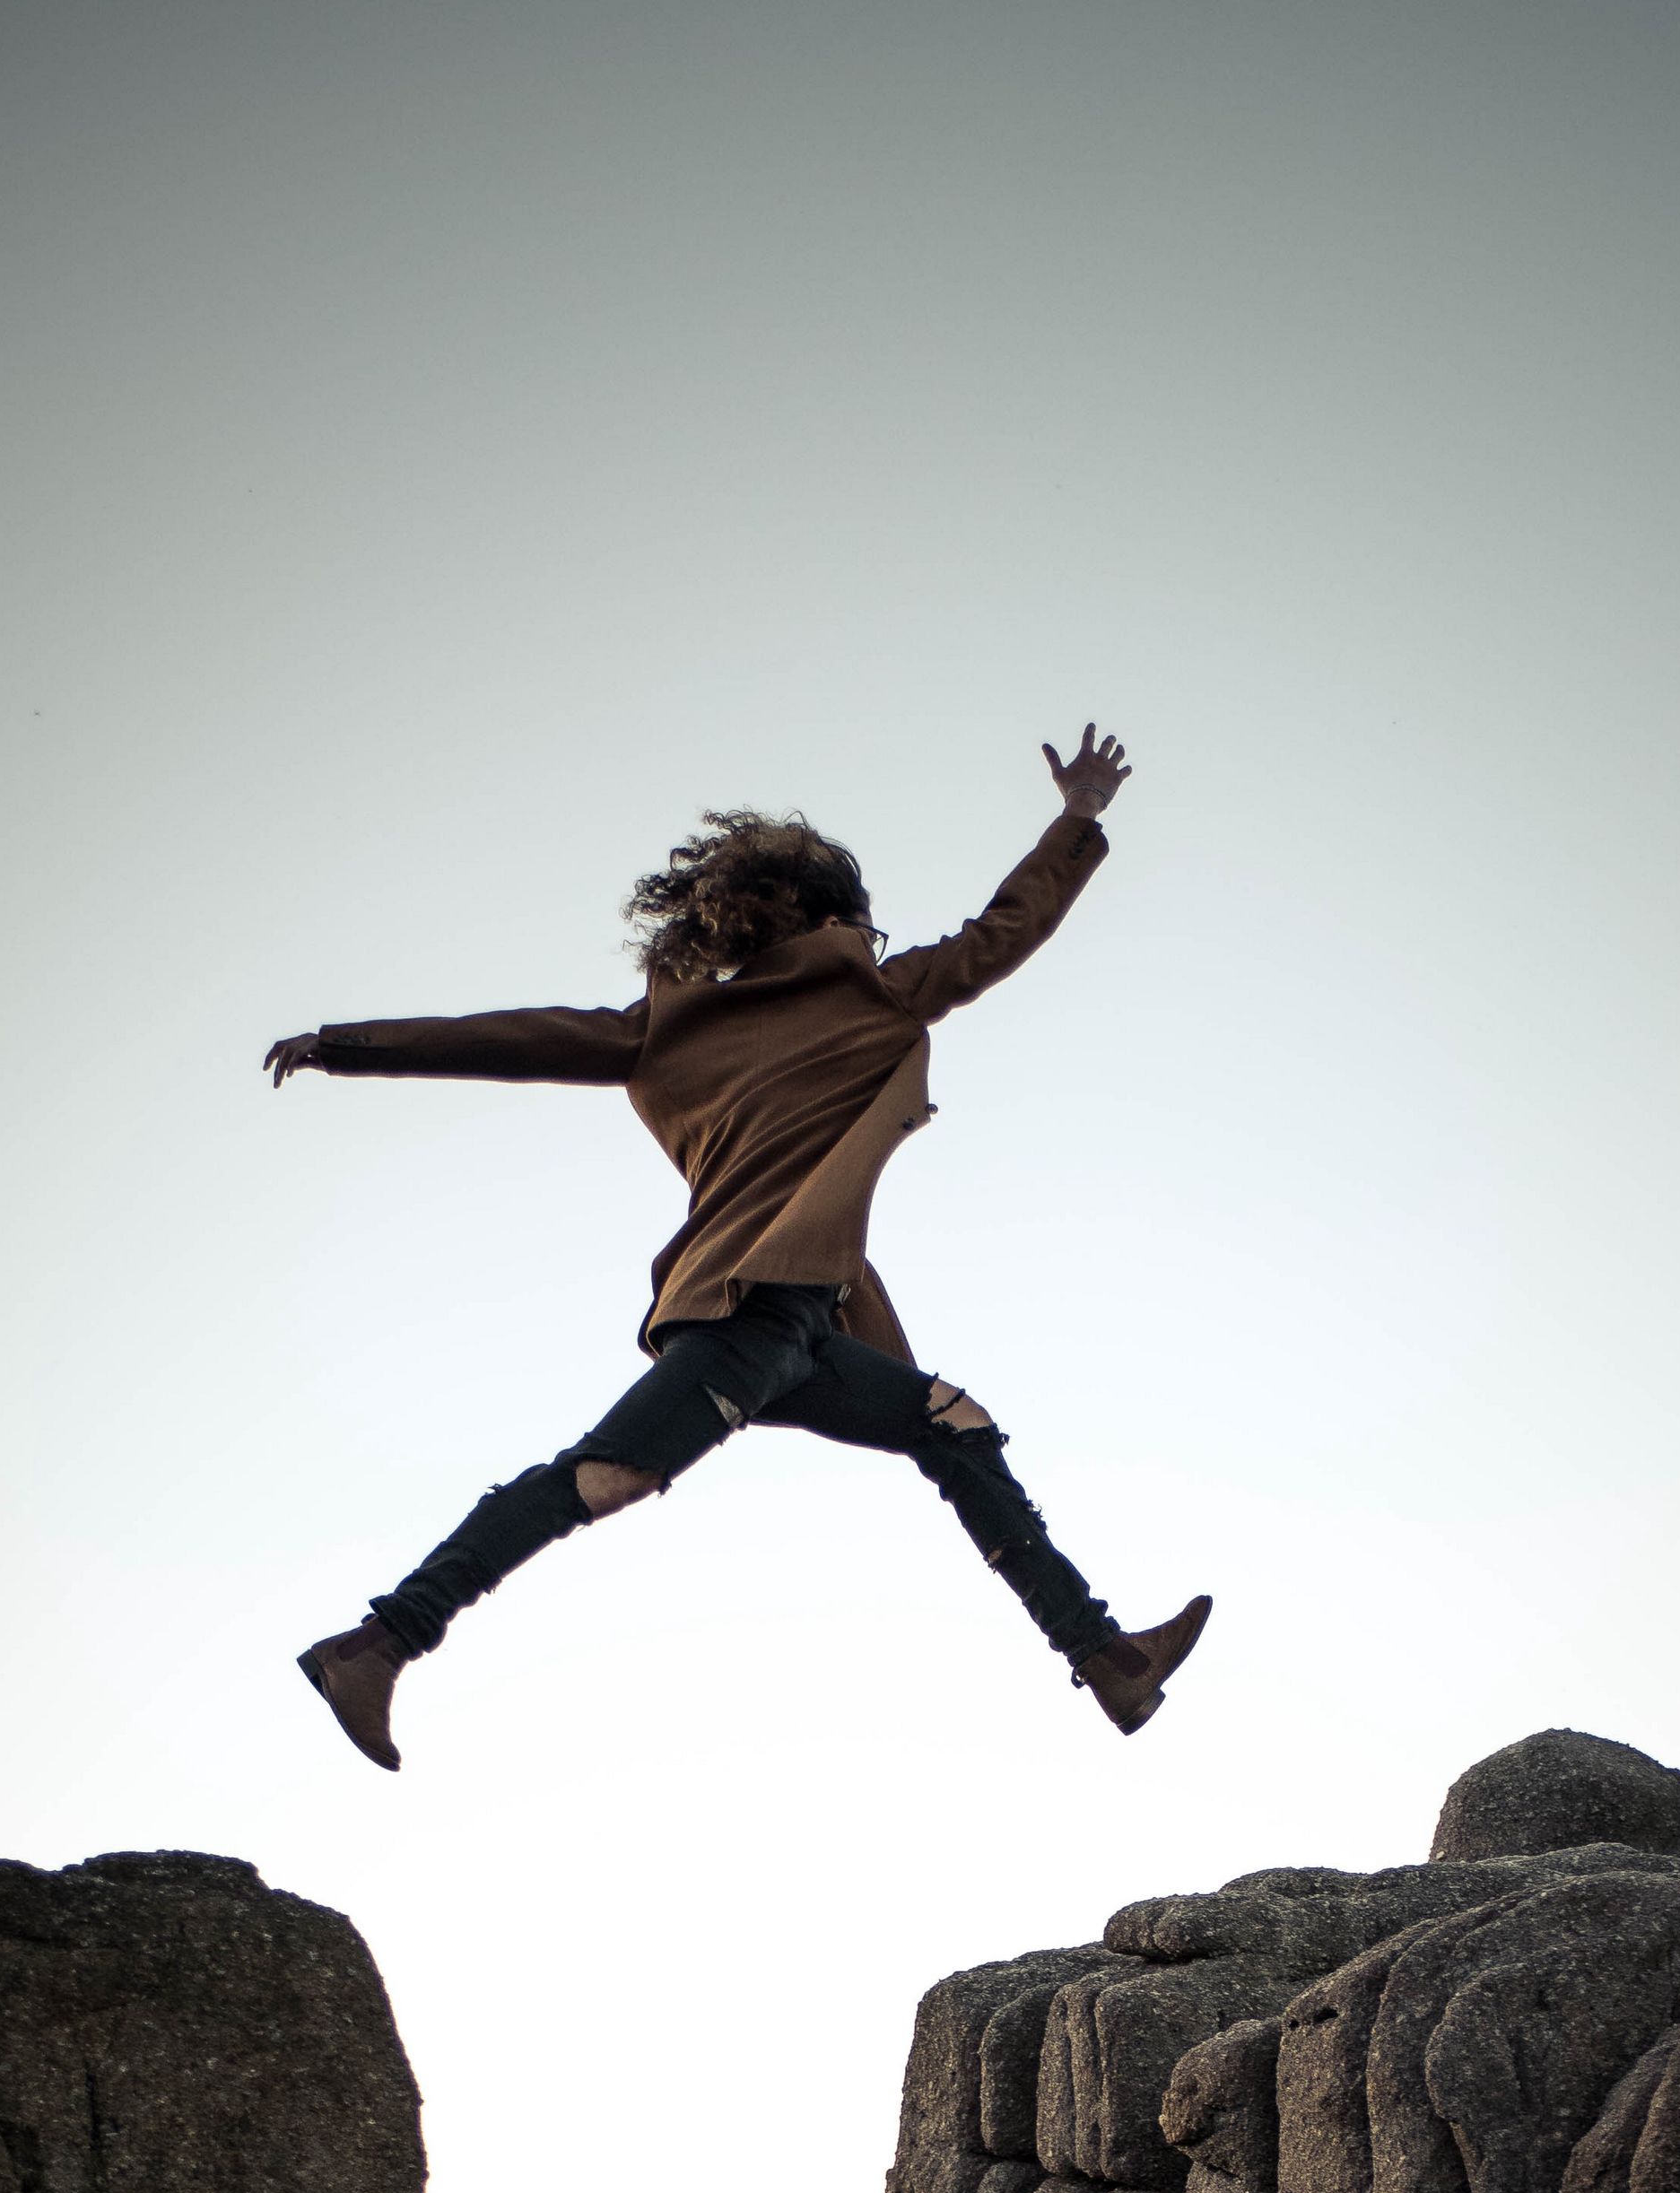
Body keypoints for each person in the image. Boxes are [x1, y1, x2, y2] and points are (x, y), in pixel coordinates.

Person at [265, 724, 1210, 1770]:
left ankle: (1106, 1658)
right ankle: (382, 1642)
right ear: (830, 918)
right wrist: (1076, 819)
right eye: (861, 917)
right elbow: (1003, 931)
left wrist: (347, 1045)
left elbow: (510, 1034)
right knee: (604, 1475)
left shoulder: (666, 1027)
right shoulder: (871, 993)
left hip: (805, 1322)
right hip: (746, 1313)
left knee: (952, 1426)